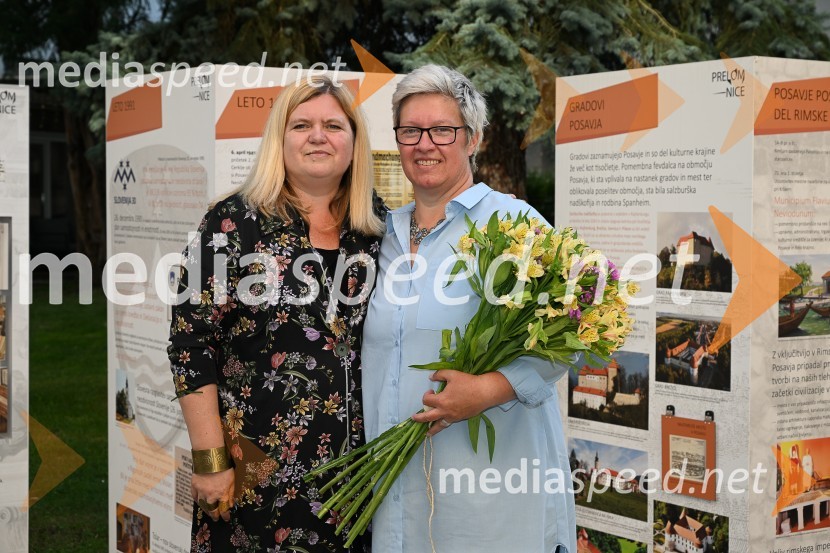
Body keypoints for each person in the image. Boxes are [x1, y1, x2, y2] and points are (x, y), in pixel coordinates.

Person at [361, 64, 576, 553]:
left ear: (473, 139)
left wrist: (488, 389)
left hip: (487, 509)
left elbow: (570, 337)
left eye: (442, 130)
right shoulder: (381, 237)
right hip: (394, 497)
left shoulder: (513, 223)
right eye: (410, 130)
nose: (424, 143)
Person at [168, 76, 385, 552]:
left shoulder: (375, 227)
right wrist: (210, 461)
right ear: (278, 140)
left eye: (333, 124)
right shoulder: (233, 223)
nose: (318, 136)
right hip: (256, 477)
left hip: (357, 479)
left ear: (354, 140)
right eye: (301, 125)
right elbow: (190, 344)